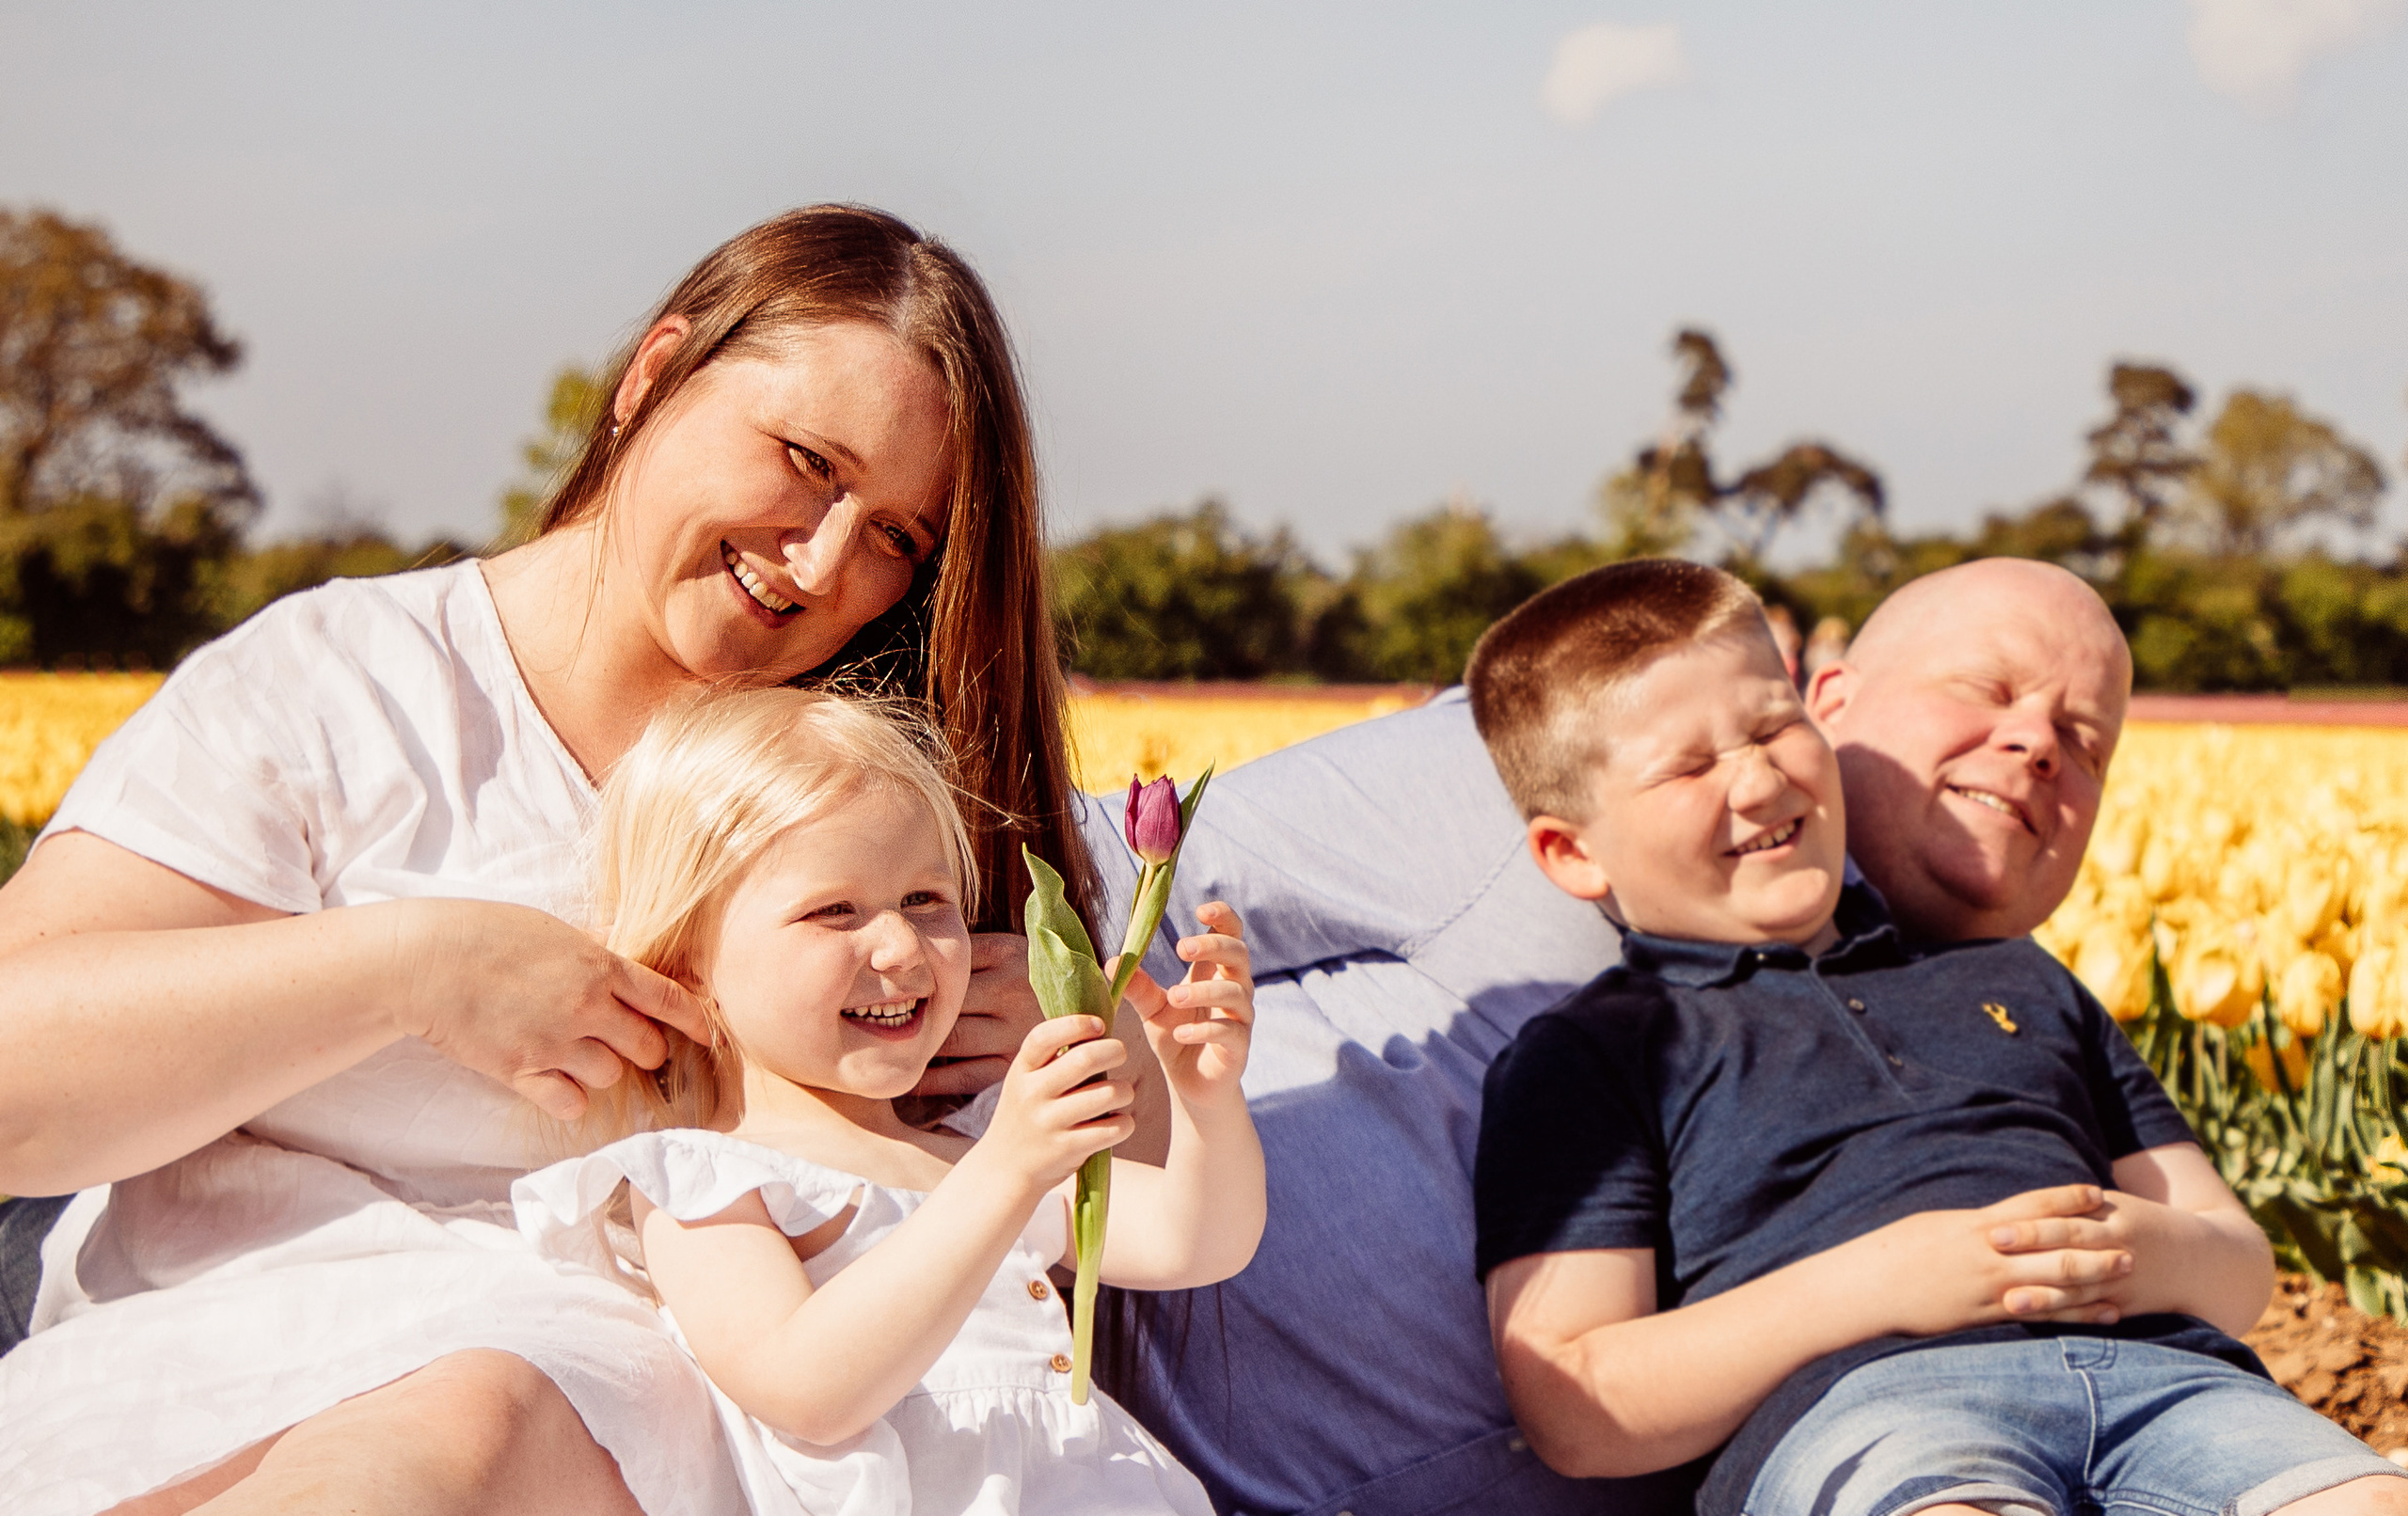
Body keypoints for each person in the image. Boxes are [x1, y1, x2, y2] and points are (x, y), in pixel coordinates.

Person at [0, 206, 1124, 1514]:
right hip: (221, 1380)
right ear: (653, 374)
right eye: (806, 461)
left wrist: (1090, 1054)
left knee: (489, 1409)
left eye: (894, 538)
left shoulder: (876, 804)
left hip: (653, 1433)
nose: (822, 562)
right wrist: (411, 966)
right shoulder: (347, 686)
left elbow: (1036, 1237)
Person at [995, 557, 2192, 1516]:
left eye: (2090, 741)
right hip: (1047, 1428)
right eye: (1986, 690)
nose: (2040, 746)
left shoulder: (2006, 1029)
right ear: (1829, 702)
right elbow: (1095, 877)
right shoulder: (1551, 755)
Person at [1465, 558, 2403, 1516]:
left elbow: (2238, 1263)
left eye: (1770, 727)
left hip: (2165, 1376)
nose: (1756, 778)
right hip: (1870, 1410)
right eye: (1691, 765)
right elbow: (1574, 1403)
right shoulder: (1595, 1050)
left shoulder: (2017, 975)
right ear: (1571, 852)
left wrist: (2137, 1251)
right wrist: (1888, 1281)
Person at [515, 687, 1258, 1515]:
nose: (903, 947)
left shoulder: (968, 1152)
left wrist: (1204, 1101)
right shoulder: (704, 1181)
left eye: (926, 900)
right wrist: (1005, 1175)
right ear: (688, 963)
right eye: (835, 911)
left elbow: (1201, 1241)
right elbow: (806, 1388)